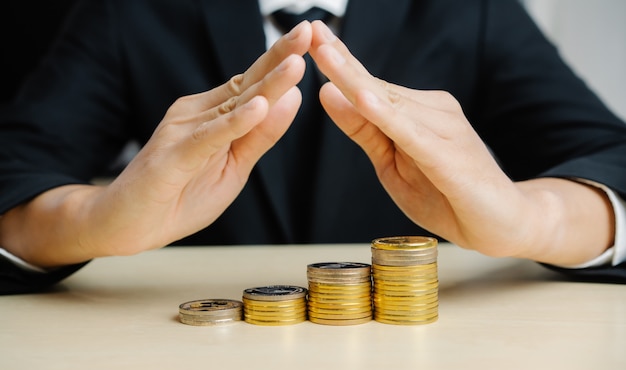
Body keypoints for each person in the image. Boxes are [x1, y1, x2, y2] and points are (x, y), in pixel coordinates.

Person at [1, 0, 625, 295]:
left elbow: (613, 157)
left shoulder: (471, 10)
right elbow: (13, 166)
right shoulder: (131, 13)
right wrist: (88, 221)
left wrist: (531, 220)